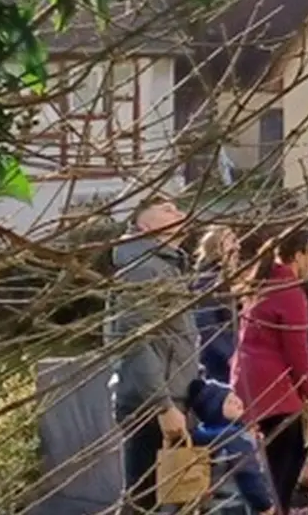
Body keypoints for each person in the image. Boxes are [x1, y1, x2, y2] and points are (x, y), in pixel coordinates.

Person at [108, 197, 196, 515]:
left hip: (170, 396)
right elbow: (136, 341)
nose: (180, 214)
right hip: (151, 404)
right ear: (143, 224)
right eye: (168, 210)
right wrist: (163, 406)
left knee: (160, 499)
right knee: (143, 501)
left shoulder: (164, 264)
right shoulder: (143, 268)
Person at [234, 227, 308, 514]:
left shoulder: (262, 282)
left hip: (249, 381)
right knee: (284, 466)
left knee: (264, 468)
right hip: (275, 388)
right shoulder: (290, 292)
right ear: (299, 255)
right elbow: (296, 349)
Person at [185, 378, 273, 514]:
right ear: (215, 411)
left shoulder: (203, 434)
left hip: (210, 506)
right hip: (236, 504)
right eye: (229, 401)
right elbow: (247, 473)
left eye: (235, 396)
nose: (237, 402)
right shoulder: (235, 437)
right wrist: (264, 505)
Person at [193, 225, 241, 384]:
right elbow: (207, 324)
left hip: (225, 359)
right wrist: (231, 355)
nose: (238, 246)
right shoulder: (209, 280)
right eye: (232, 241)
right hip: (218, 363)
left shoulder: (222, 279)